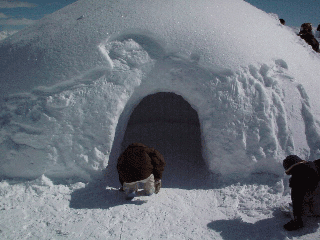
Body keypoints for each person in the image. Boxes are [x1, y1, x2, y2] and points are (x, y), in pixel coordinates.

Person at [282, 155, 320, 231]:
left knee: (298, 207)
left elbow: (297, 203)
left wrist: (297, 222)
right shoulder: (316, 164)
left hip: (317, 210)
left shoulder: (297, 180)